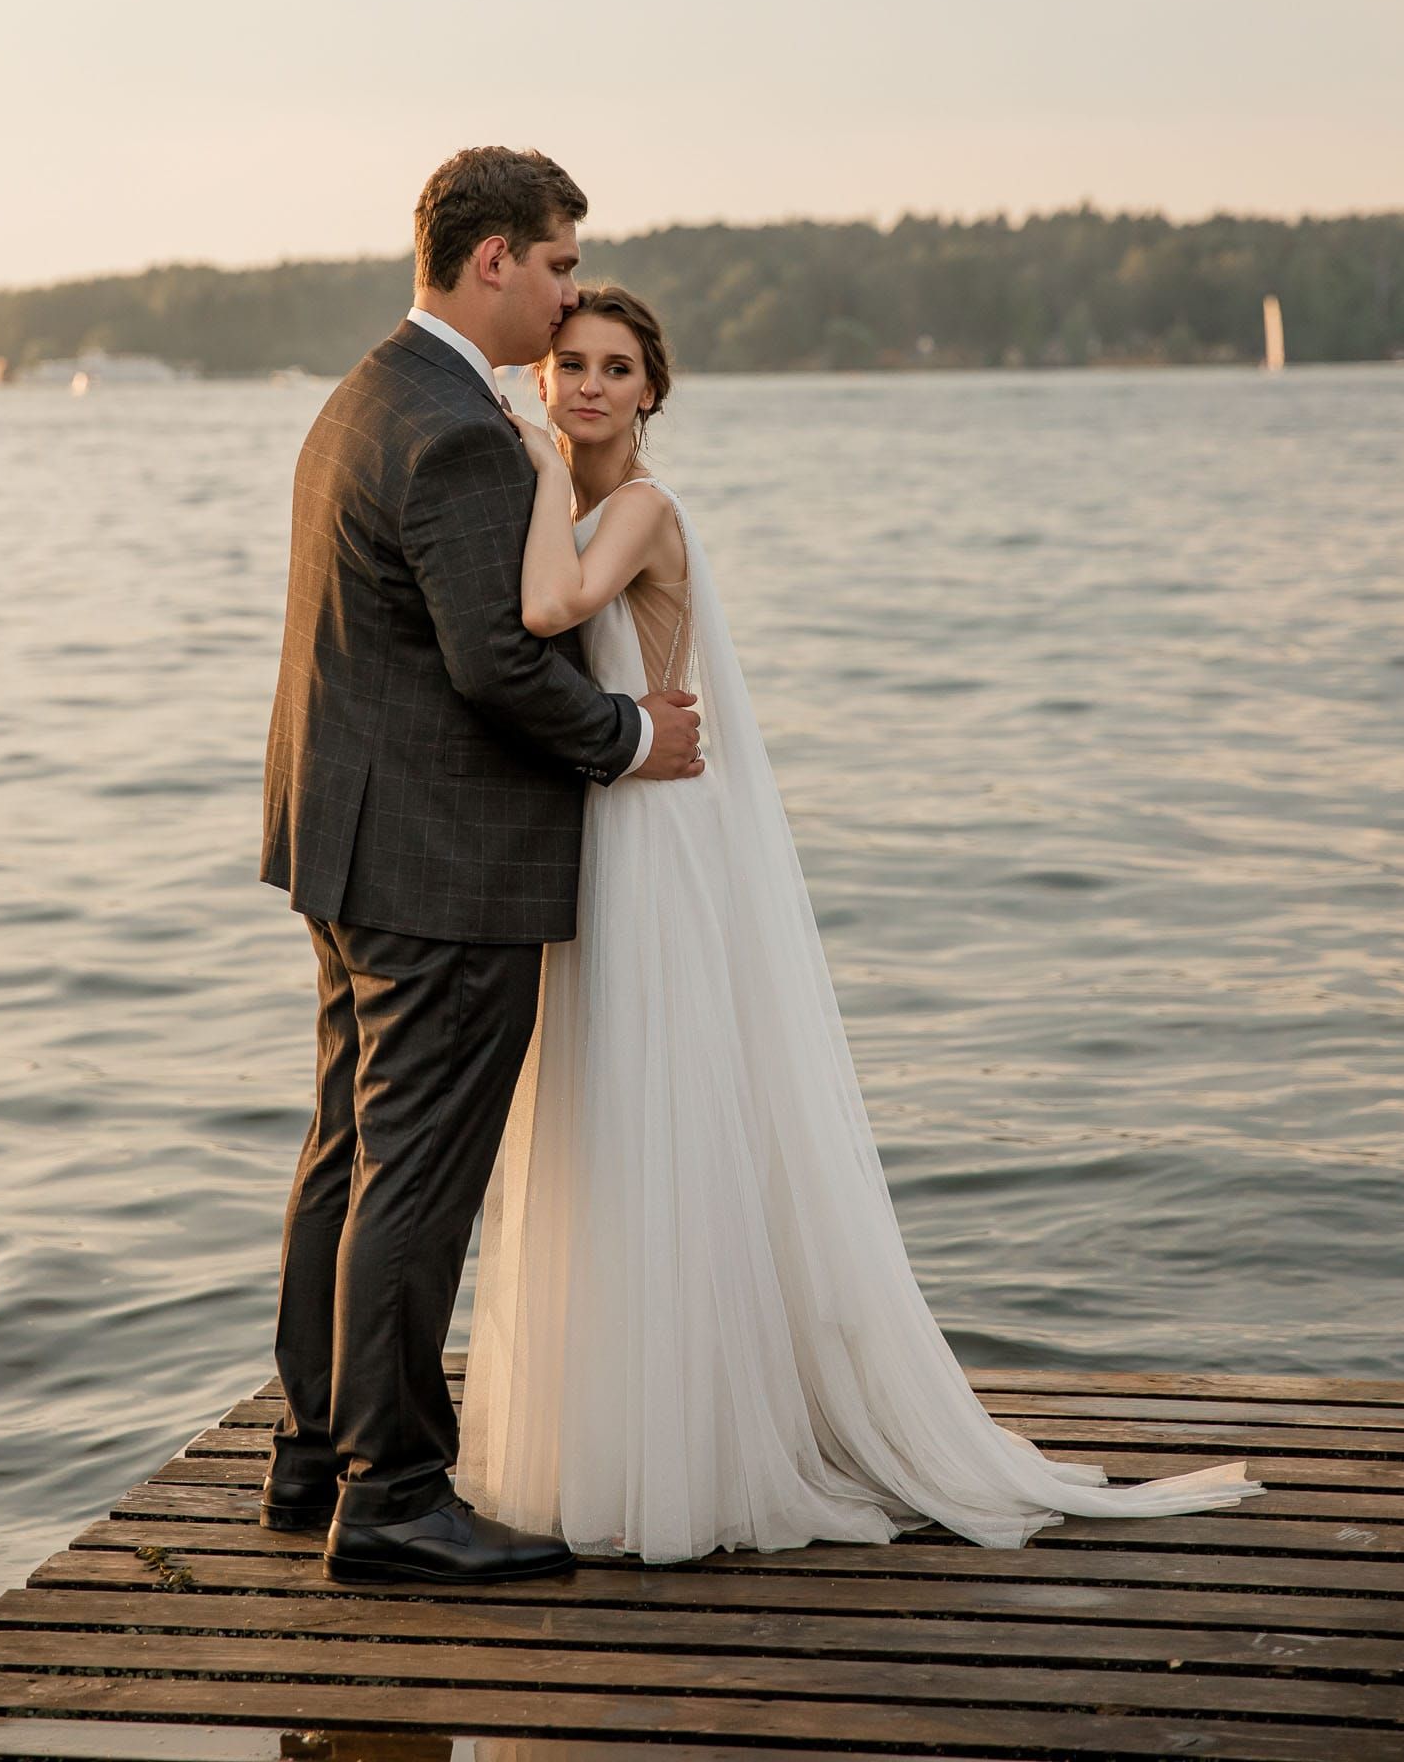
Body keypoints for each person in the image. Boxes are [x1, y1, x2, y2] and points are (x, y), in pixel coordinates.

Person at [457, 284, 1267, 1560]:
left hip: (655, 839)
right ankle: (613, 1431)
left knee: (661, 1108)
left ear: (652, 391)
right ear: (544, 376)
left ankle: (697, 1447)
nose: (590, 385)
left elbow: (551, 610)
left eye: (615, 367)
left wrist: (538, 466)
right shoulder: (549, 493)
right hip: (592, 825)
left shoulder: (644, 509)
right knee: (597, 1120)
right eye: (570, 364)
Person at [259, 150, 703, 1588]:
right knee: (414, 1174)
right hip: (441, 862)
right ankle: (394, 1497)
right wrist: (630, 735)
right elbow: (498, 663)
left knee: (350, 1149)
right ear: (494, 258)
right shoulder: (456, 431)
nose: (570, 292)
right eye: (560, 263)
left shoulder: (369, 392)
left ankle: (316, 1453)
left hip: (349, 842)